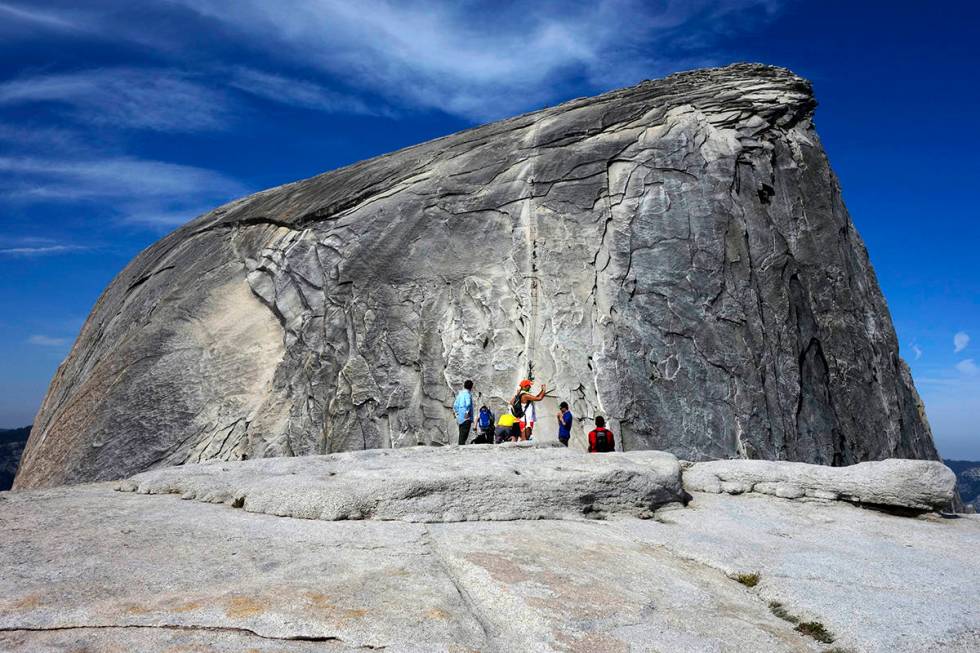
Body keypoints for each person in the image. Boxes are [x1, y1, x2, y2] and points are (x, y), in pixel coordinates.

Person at [453, 380, 475, 445]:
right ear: (471, 387)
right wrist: (467, 412)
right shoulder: (467, 394)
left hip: (460, 418)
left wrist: (457, 413)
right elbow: (468, 404)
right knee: (464, 436)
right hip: (466, 418)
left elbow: (455, 405)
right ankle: (460, 449)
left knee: (461, 434)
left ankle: (460, 447)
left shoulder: (460, 394)